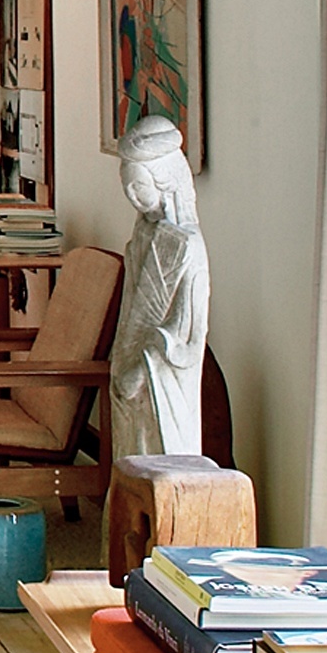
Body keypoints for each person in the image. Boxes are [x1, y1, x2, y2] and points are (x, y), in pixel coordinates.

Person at [110, 115, 205, 459]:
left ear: (165, 181)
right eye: (126, 187)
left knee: (158, 460)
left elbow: (190, 333)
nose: (131, 196)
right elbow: (129, 315)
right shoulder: (141, 238)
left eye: (138, 186)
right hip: (128, 361)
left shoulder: (187, 246)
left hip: (158, 375)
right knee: (130, 458)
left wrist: (142, 367)